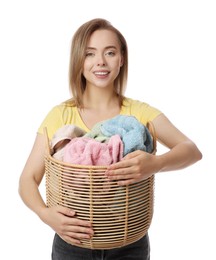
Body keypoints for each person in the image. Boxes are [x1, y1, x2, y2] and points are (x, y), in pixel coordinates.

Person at [18, 18, 202, 260]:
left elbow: (191, 150)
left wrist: (155, 164)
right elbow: (27, 179)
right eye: (90, 54)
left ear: (122, 59)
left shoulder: (138, 113)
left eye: (110, 52)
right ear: (78, 61)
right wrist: (45, 214)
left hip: (130, 243)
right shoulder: (61, 115)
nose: (101, 62)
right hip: (72, 243)